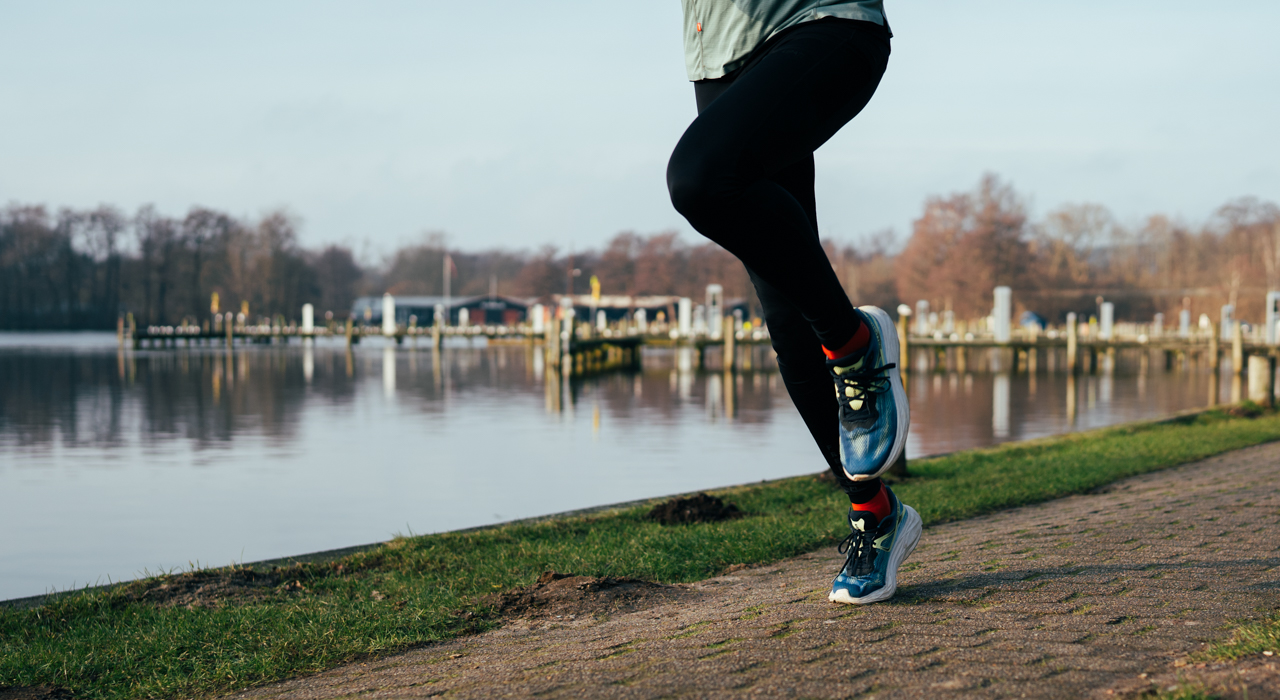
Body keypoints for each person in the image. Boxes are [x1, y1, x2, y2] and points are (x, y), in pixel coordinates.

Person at [667, 0, 920, 604]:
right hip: (720, 53)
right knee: (786, 318)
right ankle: (875, 513)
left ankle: (856, 344)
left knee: (701, 179)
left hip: (823, 21)